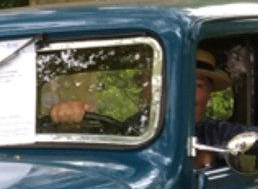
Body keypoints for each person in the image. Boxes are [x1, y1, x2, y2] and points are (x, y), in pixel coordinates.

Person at [50, 49, 256, 168]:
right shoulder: (128, 130)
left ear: (209, 94)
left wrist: (213, 157)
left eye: (197, 84)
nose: (182, 93)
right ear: (147, 91)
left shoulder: (216, 133)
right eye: (166, 82)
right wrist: (68, 122)